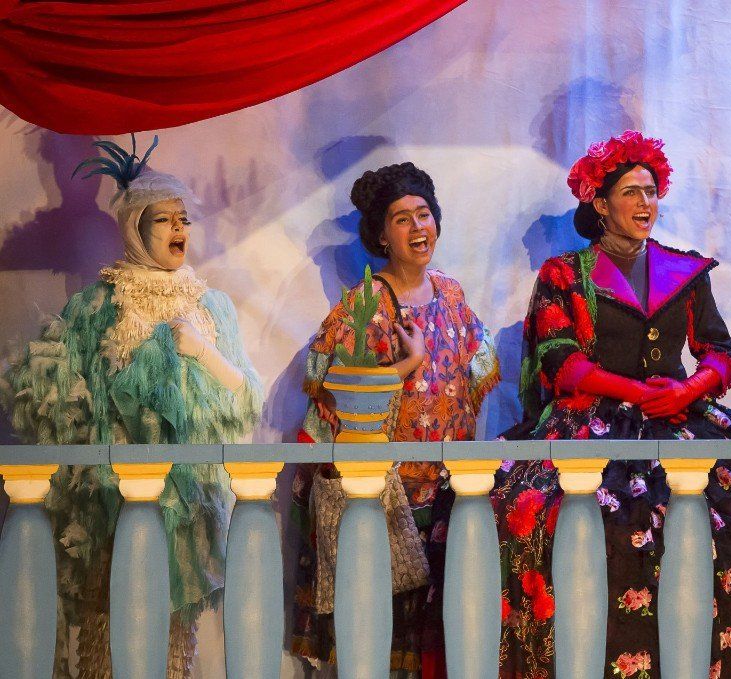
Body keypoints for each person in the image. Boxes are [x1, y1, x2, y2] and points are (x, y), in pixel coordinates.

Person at [498, 130, 731, 679]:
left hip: (680, 419)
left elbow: (720, 353)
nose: (646, 202)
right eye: (631, 192)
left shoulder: (685, 270)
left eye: (651, 191)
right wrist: (635, 392)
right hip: (593, 423)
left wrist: (689, 390)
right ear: (600, 204)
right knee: (571, 521)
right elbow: (561, 361)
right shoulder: (563, 274)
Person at [1, 136, 262, 679]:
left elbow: (244, 398)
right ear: (136, 228)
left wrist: (204, 353)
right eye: (164, 220)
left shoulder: (210, 306)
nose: (179, 229)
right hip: (111, 497)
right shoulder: (99, 304)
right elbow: (52, 395)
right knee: (107, 630)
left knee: (173, 639)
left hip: (186, 498)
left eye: (183, 219)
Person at [290, 162, 499, 677]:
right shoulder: (366, 302)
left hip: (446, 495)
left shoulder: (451, 293)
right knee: (379, 643)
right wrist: (410, 364)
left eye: (424, 214)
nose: (417, 227)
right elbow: (332, 385)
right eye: (401, 219)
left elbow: (479, 362)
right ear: (381, 235)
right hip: (388, 499)